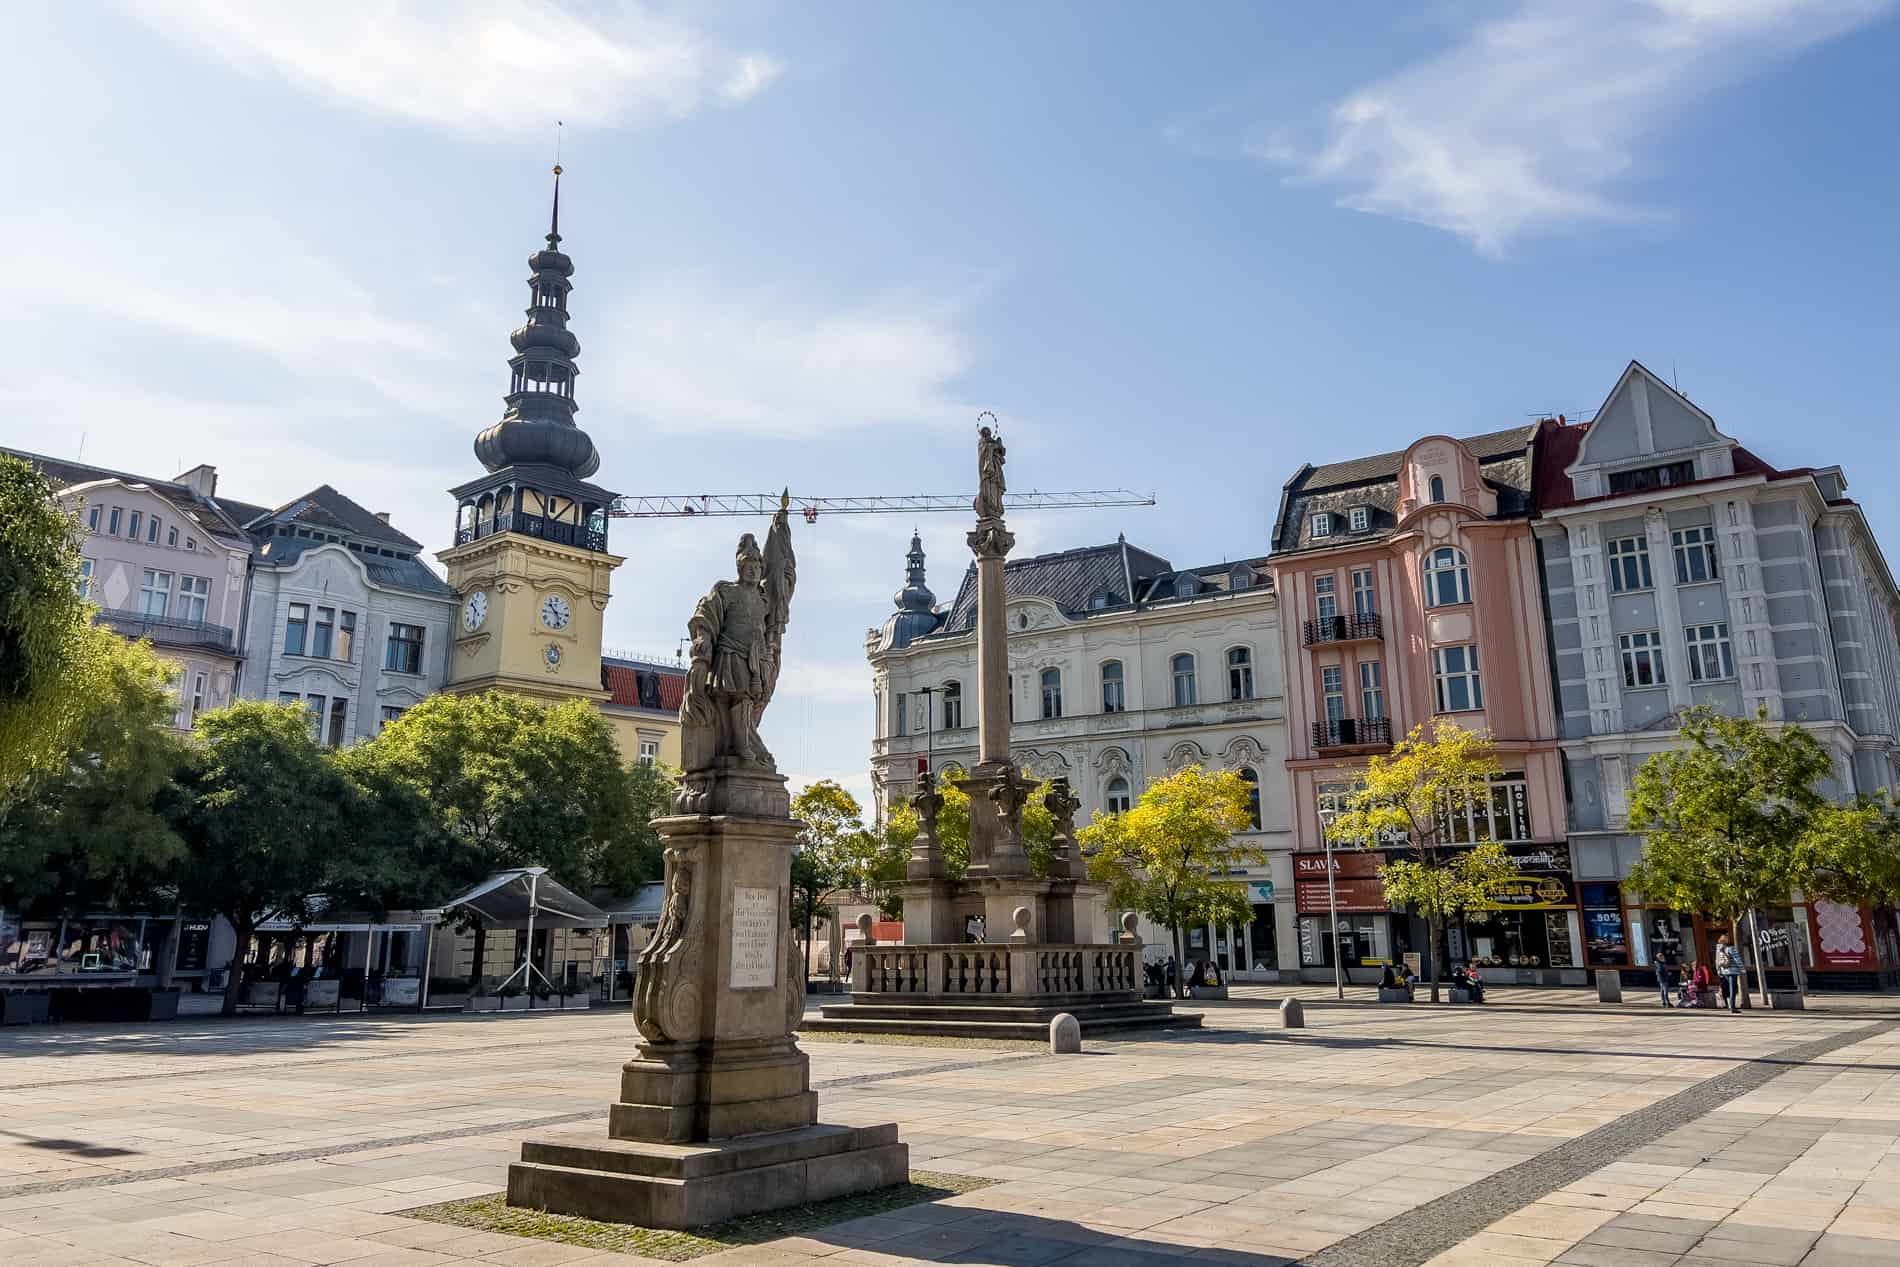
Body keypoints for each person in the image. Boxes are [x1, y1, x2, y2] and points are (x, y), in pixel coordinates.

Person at [1715, 933, 1746, 1013]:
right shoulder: (1731, 948)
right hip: (1733, 971)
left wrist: (1719, 970)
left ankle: (1728, 1005)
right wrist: (1742, 969)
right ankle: (1732, 1007)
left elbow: (1717, 961)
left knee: (1728, 988)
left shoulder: (1718, 950)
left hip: (1724, 971)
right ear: (1727, 940)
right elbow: (1737, 959)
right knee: (1733, 989)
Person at [1654, 936, 1682, 1008]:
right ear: (1660, 958)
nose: (1664, 959)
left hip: (1661, 979)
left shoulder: (1660, 964)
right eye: (1663, 958)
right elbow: (1660, 972)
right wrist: (1666, 975)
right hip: (1663, 979)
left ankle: (1663, 1001)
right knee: (1665, 991)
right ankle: (1667, 1002)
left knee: (1662, 990)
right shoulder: (1660, 965)